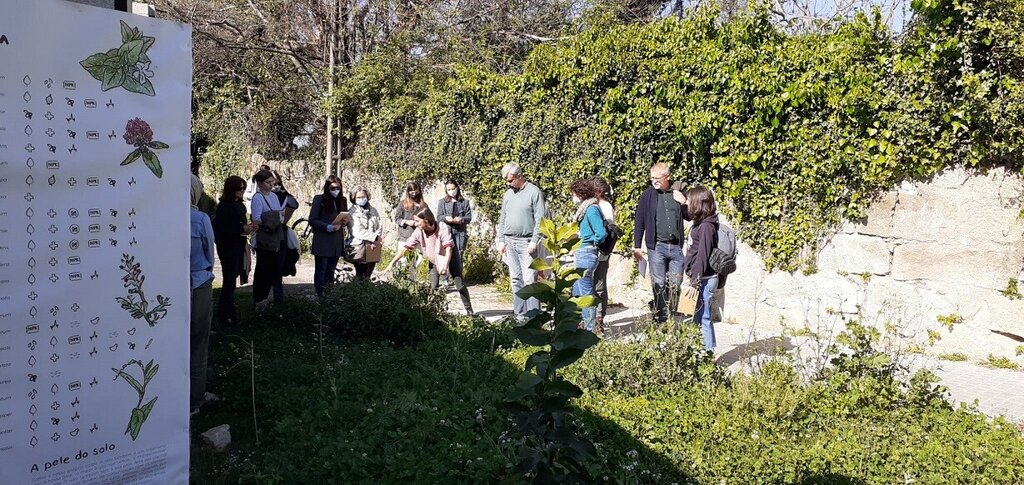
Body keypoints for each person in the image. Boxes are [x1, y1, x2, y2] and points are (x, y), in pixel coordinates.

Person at [380, 209, 475, 315]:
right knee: (433, 287)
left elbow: (448, 248)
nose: (416, 224)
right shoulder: (418, 232)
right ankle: (436, 313)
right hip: (433, 259)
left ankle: (469, 310)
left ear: (426, 220)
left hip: (450, 257)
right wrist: (392, 262)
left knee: (459, 285)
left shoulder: (442, 227)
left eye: (417, 221)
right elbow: (406, 248)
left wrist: (445, 266)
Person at [632, 162, 688, 324]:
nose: (654, 181)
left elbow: (689, 215)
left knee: (675, 284)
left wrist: (684, 201)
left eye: (657, 178)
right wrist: (637, 246)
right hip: (657, 247)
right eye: (652, 178)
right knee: (658, 283)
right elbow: (639, 220)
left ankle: (664, 310)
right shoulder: (648, 195)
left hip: (676, 247)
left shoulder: (677, 193)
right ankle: (661, 320)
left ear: (667, 177)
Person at [496, 163, 547, 321]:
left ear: (519, 176)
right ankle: (520, 315)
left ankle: (533, 316)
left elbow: (540, 219)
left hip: (527, 242)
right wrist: (501, 240)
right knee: (516, 279)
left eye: (510, 180)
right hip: (509, 242)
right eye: (506, 181)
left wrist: (534, 240)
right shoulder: (508, 195)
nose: (508, 184)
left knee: (529, 279)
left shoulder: (534, 192)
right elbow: (503, 218)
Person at [213, 176, 258, 326]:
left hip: (238, 244)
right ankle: (225, 314)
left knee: (232, 280)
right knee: (229, 281)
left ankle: (228, 313)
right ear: (231, 189)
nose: (242, 191)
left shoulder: (238, 205)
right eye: (239, 188)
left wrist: (248, 228)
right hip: (227, 247)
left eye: (243, 188)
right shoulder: (224, 207)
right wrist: (242, 228)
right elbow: (224, 229)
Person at [189, 174, 215, 413]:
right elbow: (209, 253)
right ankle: (195, 398)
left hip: (170, 286)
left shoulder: (163, 219)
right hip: (199, 284)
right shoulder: (200, 219)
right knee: (198, 342)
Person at [682, 185, 719, 351]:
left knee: (704, 317)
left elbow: (702, 256)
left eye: (689, 200)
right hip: (699, 278)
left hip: (704, 279)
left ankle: (708, 354)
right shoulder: (701, 223)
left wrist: (694, 282)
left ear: (697, 203)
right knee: (696, 317)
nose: (686, 203)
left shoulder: (706, 227)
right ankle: (696, 351)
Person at [571, 179, 606, 332]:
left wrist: (590, 241)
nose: (573, 197)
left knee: (586, 293)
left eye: (574, 194)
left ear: (580, 194)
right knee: (578, 290)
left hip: (587, 252)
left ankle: (589, 329)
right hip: (583, 251)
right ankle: (582, 325)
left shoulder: (591, 209)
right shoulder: (587, 208)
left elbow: (601, 233)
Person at [250, 169, 286, 307]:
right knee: (263, 270)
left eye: (272, 182)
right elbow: (257, 219)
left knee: (275, 270)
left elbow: (280, 215)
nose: (271, 185)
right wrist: (275, 216)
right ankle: (259, 299)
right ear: (260, 183)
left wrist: (278, 216)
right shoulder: (258, 198)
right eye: (268, 182)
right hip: (265, 239)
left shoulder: (274, 196)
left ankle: (274, 299)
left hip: (276, 236)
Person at [309, 176, 349, 296]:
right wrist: (327, 227)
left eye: (338, 188)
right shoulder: (319, 199)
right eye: (332, 188)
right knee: (321, 270)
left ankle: (329, 295)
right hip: (323, 240)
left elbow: (344, 216)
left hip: (336, 241)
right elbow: (312, 220)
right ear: (327, 188)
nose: (335, 190)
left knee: (330, 270)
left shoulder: (342, 200)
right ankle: (320, 294)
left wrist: (345, 221)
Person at [589, 176, 616, 332]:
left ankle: (599, 317)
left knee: (599, 283)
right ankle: (591, 317)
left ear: (598, 191)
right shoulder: (592, 205)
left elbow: (606, 230)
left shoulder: (605, 207)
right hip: (592, 248)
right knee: (591, 283)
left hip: (601, 249)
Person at [436, 180, 473, 286]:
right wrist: (446, 218)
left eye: (453, 189)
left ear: (457, 188)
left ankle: (458, 279)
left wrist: (461, 219)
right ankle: (445, 278)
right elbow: (439, 217)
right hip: (446, 231)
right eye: (449, 189)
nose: (451, 191)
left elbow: (469, 217)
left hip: (460, 232)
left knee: (459, 254)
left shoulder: (464, 202)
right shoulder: (442, 202)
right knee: (446, 254)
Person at [393, 182, 428, 280]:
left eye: (416, 192)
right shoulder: (403, 204)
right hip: (405, 236)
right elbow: (397, 219)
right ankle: (401, 280)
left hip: (418, 237)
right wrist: (407, 222)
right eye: (411, 192)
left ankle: (412, 281)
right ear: (408, 192)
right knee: (403, 260)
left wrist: (421, 222)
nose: (414, 194)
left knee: (418, 260)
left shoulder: (423, 205)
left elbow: (428, 219)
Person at [347, 185, 382, 279]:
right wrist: (373, 238)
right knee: (361, 274)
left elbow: (379, 225)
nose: (361, 199)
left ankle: (367, 287)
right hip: (360, 246)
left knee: (369, 273)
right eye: (358, 197)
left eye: (363, 196)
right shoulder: (352, 212)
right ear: (354, 198)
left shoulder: (373, 210)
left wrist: (376, 238)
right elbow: (356, 230)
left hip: (373, 245)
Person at [271, 172, 301, 281]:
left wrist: (285, 193)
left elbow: (295, 204)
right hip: (267, 233)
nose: (275, 186)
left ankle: (278, 288)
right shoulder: (262, 197)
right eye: (272, 184)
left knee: (280, 261)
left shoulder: (283, 196)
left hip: (281, 231)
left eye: (278, 184)